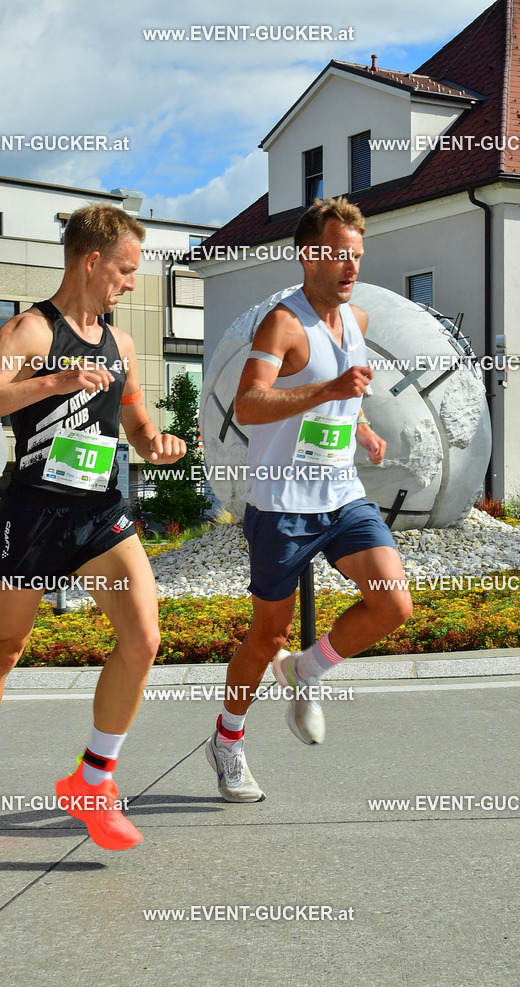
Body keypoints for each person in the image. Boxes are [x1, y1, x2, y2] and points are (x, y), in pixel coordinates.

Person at [0, 202, 186, 849]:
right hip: (32, 514)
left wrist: (157, 443)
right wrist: (50, 380)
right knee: (4, 652)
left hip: (98, 514)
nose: (131, 283)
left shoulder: (121, 345)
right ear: (91, 261)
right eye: (126, 270)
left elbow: (133, 425)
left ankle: (92, 779)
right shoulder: (29, 332)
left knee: (142, 637)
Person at [206, 197, 413, 801]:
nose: (350, 268)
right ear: (308, 255)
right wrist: (327, 389)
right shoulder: (282, 324)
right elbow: (248, 405)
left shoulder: (359, 322)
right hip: (282, 505)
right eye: (337, 256)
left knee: (392, 604)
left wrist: (361, 427)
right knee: (267, 635)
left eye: (356, 257)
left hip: (342, 495)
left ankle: (307, 669)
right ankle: (228, 739)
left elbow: (345, 401)